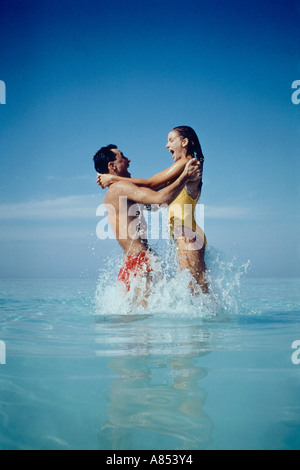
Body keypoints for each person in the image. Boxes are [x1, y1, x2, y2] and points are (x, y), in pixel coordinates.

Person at [97, 126, 208, 294]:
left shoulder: (187, 164)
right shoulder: (120, 189)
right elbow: (157, 195)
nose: (128, 160)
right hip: (155, 251)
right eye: (123, 157)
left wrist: (113, 178)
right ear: (111, 165)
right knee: (196, 295)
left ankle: (216, 320)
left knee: (195, 294)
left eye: (171, 140)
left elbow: (153, 187)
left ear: (184, 143)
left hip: (184, 236)